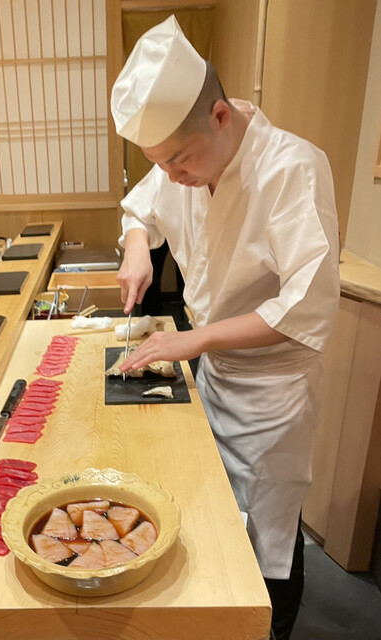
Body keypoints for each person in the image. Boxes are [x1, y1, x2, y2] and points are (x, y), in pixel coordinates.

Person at [110, 15, 340, 640]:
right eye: (159, 163)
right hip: (214, 376)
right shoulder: (184, 162)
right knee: (218, 519)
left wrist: (195, 339)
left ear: (220, 115)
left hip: (273, 394)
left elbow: (306, 306)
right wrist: (137, 247)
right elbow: (141, 208)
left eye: (178, 159)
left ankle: (275, 628)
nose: (172, 175)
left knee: (270, 534)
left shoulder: (292, 167)